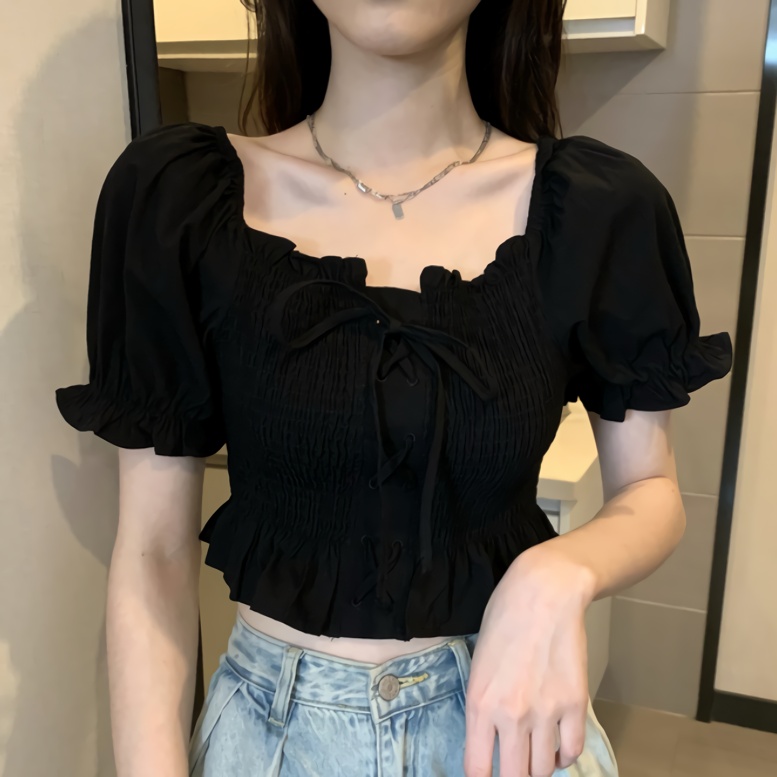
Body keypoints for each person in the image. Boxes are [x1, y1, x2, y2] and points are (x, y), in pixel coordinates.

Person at [54, 0, 734, 775]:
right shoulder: (177, 200)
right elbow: (151, 551)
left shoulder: (600, 209)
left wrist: (556, 572)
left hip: (502, 736)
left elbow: (650, 489)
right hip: (268, 741)